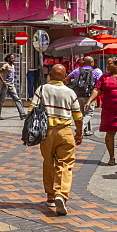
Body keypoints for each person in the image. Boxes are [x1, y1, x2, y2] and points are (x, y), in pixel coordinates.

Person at [29, 63, 83, 216]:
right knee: (64, 164)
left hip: (46, 132)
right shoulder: (70, 92)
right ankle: (61, 193)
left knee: (48, 162)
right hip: (65, 131)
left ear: (50, 75)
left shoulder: (42, 89)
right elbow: (78, 116)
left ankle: (51, 196)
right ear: (65, 77)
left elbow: (31, 110)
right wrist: (79, 133)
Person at [84, 57, 117, 166]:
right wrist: (89, 101)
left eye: (109, 64)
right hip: (109, 109)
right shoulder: (105, 77)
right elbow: (97, 89)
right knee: (110, 133)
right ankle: (111, 156)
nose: (107, 66)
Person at [68, 56, 102, 136]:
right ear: (92, 63)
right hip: (90, 95)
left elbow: (67, 78)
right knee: (89, 113)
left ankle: (86, 131)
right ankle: (80, 129)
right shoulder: (95, 73)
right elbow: (99, 85)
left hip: (78, 95)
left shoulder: (77, 71)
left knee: (81, 113)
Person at [0, 53, 27, 120]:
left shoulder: (13, 66)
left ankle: (22, 114)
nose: (13, 59)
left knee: (17, 99)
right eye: (12, 58)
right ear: (8, 59)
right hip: (5, 85)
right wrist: (3, 81)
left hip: (12, 85)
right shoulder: (6, 65)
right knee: (1, 101)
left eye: (14, 58)